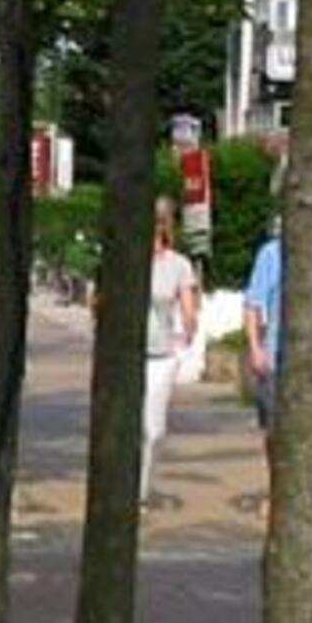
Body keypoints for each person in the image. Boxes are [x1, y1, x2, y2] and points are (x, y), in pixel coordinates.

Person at [141, 196, 202, 504]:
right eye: (154, 221)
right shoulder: (128, 260)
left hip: (162, 356)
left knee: (154, 430)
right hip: (129, 354)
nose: (158, 228)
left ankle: (141, 489)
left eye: (162, 221)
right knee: (130, 427)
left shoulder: (179, 265)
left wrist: (189, 327)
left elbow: (189, 306)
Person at [244, 213, 285, 492]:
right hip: (275, 355)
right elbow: (253, 304)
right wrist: (255, 347)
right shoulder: (271, 254)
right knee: (274, 431)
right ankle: (276, 488)